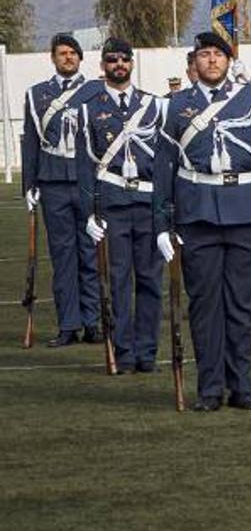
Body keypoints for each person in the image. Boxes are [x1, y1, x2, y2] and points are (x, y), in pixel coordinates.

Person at [152, 32, 251, 411]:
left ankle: (241, 385)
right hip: (196, 213)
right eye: (204, 55)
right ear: (193, 63)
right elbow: (163, 167)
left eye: (218, 54)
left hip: (247, 211)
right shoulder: (175, 106)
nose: (212, 60)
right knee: (204, 305)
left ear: (229, 61)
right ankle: (210, 389)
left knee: (242, 306)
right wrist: (162, 225)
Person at [77, 38, 165, 373]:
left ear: (131, 63)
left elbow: (163, 161)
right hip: (112, 204)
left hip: (147, 202)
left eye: (124, 59)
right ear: (103, 66)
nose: (119, 65)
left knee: (150, 281)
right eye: (112, 60)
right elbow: (85, 165)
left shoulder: (152, 106)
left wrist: (165, 208)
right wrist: (89, 213)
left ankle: (147, 352)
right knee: (118, 282)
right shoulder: (89, 108)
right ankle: (124, 351)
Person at [22, 33, 102, 347]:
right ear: (53, 58)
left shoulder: (96, 91)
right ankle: (68, 324)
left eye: (72, 53)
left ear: (80, 57)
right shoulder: (37, 94)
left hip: (88, 182)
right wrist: (29, 183)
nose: (67, 57)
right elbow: (30, 142)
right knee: (63, 256)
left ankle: (92, 322)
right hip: (53, 182)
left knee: (91, 254)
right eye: (62, 53)